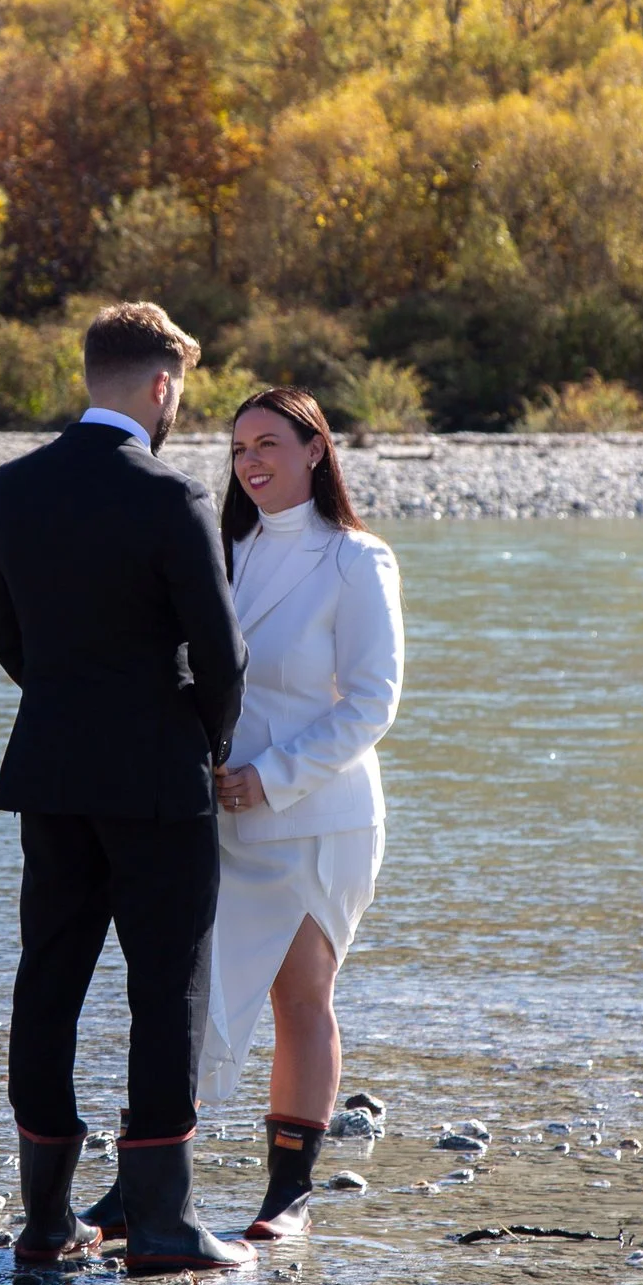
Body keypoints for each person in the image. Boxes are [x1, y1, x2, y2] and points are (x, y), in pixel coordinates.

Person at [0, 301, 256, 1275]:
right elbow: (222, 655)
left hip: (49, 769)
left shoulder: (9, 489)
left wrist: (68, 708)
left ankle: (46, 1220)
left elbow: (12, 643)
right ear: (161, 387)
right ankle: (163, 1222)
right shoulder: (169, 499)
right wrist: (206, 739)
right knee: (162, 988)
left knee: (47, 978)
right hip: (155, 775)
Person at [204, 387, 402, 1239]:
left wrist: (272, 775)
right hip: (218, 815)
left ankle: (289, 1193)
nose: (251, 461)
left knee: (299, 996)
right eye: (239, 446)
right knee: (191, 993)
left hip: (318, 813)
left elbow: (372, 703)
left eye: (269, 443)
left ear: (316, 450)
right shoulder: (221, 550)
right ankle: (149, 1173)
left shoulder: (358, 560)